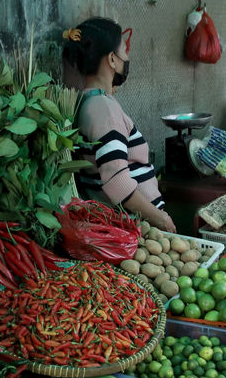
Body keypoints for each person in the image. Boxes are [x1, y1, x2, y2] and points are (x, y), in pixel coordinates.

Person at [62, 18, 176, 232]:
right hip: (136, 226)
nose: (127, 57)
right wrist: (160, 219)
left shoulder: (86, 100)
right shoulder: (104, 110)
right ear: (112, 60)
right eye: (124, 50)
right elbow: (116, 180)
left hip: (125, 223)